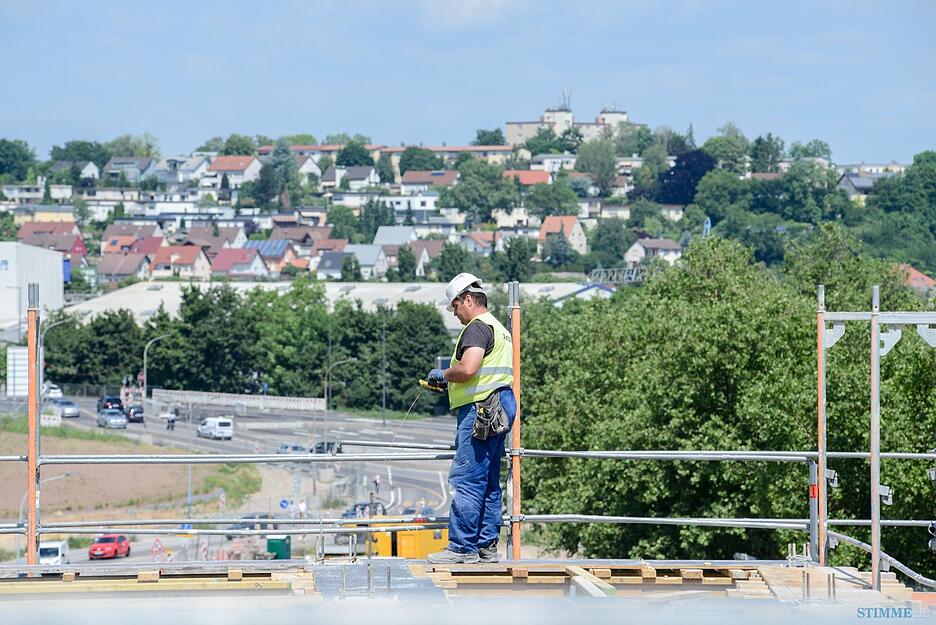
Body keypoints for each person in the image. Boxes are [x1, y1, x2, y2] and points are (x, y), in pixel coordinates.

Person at [426, 273, 516, 564]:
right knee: (489, 480)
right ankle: (486, 547)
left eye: (455, 306)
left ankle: (462, 547)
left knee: (466, 479)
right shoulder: (499, 328)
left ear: (468, 299)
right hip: (500, 404)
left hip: (481, 410)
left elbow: (468, 369)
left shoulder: (477, 328)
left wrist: (444, 374)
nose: (455, 314)